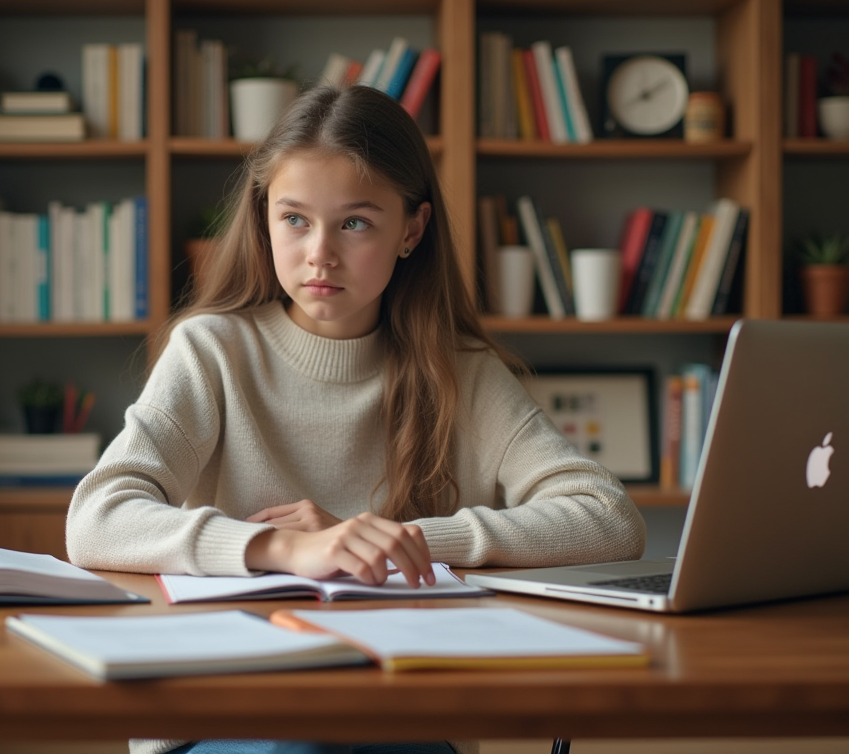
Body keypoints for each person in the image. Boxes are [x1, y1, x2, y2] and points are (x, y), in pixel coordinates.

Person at [66, 85, 646, 754]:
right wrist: (284, 549)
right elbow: (96, 518)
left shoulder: (461, 370)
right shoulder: (214, 350)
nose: (320, 253)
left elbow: (609, 517)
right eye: (294, 219)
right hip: (228, 705)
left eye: (355, 223)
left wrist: (393, 543)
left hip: (400, 709)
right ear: (263, 219)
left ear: (412, 230)